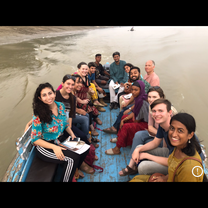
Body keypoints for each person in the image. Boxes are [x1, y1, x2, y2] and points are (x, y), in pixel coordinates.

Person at [31, 82, 89, 182]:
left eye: (50, 93)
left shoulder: (60, 106)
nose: (48, 97)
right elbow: (35, 139)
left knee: (86, 147)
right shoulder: (38, 113)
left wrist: (72, 134)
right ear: (40, 98)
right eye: (44, 95)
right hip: (45, 146)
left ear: (54, 93)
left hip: (59, 139)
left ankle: (76, 169)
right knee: (72, 159)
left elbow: (65, 123)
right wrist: (54, 147)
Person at [131, 99, 205, 176]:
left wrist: (147, 156)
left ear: (169, 112)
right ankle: (132, 167)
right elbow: (155, 142)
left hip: (180, 164)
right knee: (139, 147)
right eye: (154, 111)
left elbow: (173, 161)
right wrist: (138, 149)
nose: (156, 114)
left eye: (160, 111)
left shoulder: (177, 135)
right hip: (170, 154)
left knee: (143, 167)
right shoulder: (162, 124)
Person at [105, 80, 149, 155]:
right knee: (123, 117)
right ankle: (120, 138)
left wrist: (126, 122)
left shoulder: (143, 101)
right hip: (139, 119)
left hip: (146, 124)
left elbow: (137, 120)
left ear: (141, 90)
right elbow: (135, 112)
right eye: (132, 89)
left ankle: (117, 148)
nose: (133, 92)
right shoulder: (138, 98)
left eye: (136, 90)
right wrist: (124, 119)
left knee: (126, 126)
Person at [103, 67, 150, 134]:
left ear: (139, 74)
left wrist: (130, 108)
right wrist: (127, 104)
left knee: (124, 111)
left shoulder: (143, 84)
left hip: (144, 108)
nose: (133, 75)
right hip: (138, 103)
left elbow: (141, 101)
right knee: (124, 108)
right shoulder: (135, 83)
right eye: (131, 74)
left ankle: (116, 128)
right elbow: (135, 96)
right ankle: (117, 127)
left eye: (135, 73)